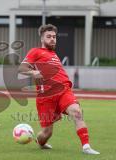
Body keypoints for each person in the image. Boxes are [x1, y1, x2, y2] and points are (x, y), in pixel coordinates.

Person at [18, 24, 100, 154]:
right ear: (42, 39)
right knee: (46, 133)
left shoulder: (54, 54)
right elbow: (21, 68)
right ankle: (39, 142)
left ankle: (86, 147)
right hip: (46, 97)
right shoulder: (36, 51)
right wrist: (33, 73)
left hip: (64, 91)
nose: (52, 39)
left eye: (54, 37)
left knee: (77, 112)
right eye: (49, 36)